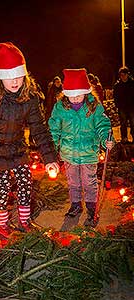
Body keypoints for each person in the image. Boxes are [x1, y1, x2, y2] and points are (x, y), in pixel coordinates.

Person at [0, 42, 59, 238]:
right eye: (9, 77)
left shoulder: (30, 97)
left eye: (19, 75)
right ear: (0, 76)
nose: (15, 81)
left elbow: (39, 129)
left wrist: (50, 158)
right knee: (2, 186)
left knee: (25, 183)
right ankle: (1, 224)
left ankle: (25, 221)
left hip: (18, 150)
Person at [48, 68, 114, 227]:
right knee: (73, 182)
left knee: (89, 181)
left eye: (78, 94)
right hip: (68, 153)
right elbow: (54, 128)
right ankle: (76, 205)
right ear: (65, 93)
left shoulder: (94, 107)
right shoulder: (60, 108)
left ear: (86, 91)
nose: (75, 98)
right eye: (71, 95)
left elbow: (103, 125)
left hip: (88, 152)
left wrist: (106, 139)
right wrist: (51, 147)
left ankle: (92, 207)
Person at [113, 66, 134, 144]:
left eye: (124, 75)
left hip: (132, 107)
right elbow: (115, 96)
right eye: (121, 75)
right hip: (122, 107)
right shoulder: (117, 85)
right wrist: (118, 105)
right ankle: (124, 138)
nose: (123, 77)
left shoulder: (132, 83)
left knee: (133, 123)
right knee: (123, 123)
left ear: (127, 74)